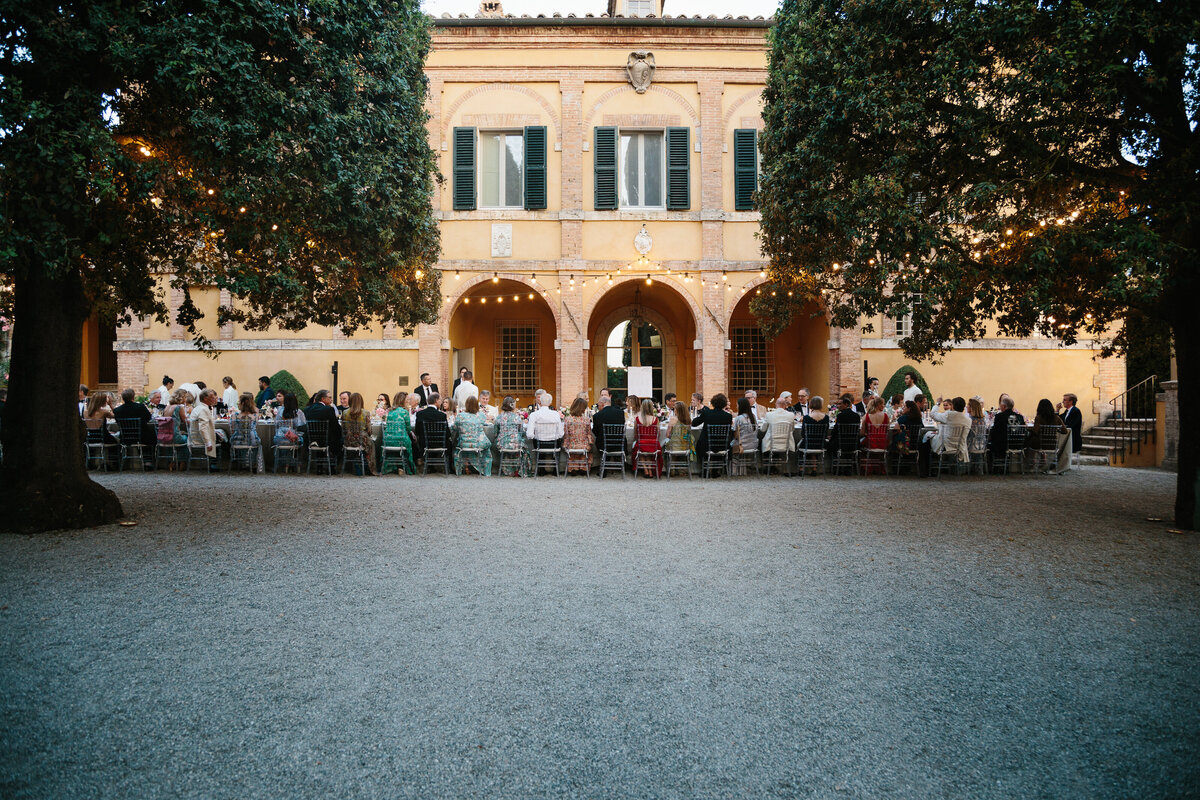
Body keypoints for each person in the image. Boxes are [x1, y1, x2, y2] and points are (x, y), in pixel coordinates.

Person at [926, 396, 971, 471]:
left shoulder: (948, 415)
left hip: (946, 445)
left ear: (952, 406)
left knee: (927, 438)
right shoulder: (968, 420)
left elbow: (932, 414)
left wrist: (938, 403)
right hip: (960, 447)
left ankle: (928, 469)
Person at [454, 395, 493, 476]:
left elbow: (454, 427)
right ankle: (486, 471)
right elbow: (483, 423)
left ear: (466, 404)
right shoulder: (481, 415)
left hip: (463, 443)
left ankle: (461, 469)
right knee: (487, 446)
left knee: (454, 443)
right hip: (477, 443)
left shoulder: (460, 416)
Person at [114, 387, 156, 462]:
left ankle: (125, 462)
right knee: (154, 436)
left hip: (125, 437)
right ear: (133, 397)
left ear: (123, 398)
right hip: (142, 437)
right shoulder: (140, 407)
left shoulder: (117, 410)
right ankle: (148, 461)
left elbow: (117, 422)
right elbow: (149, 418)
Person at [495, 396, 533, 477]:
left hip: (502, 444)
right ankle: (522, 471)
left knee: (506, 449)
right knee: (524, 449)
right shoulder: (517, 417)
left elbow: (495, 433)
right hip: (516, 444)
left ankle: (507, 470)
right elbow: (521, 432)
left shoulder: (499, 417)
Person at [341, 392, 377, 475]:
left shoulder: (345, 413)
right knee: (372, 445)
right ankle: (370, 469)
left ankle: (354, 466)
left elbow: (343, 428)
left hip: (349, 441)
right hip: (362, 440)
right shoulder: (365, 413)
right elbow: (369, 430)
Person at [382, 391, 416, 475]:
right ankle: (405, 466)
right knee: (411, 440)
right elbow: (408, 429)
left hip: (389, 440)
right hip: (401, 441)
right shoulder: (404, 412)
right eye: (407, 399)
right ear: (402, 400)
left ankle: (394, 466)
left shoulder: (390, 412)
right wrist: (411, 433)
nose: (408, 401)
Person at [229, 391, 264, 470]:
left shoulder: (235, 415)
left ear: (241, 404)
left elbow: (232, 429)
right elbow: (256, 427)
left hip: (237, 440)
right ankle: (254, 463)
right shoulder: (254, 416)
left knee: (237, 439)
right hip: (252, 440)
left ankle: (241, 462)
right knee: (256, 442)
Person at [189, 388, 220, 470]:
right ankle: (214, 463)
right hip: (199, 439)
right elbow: (203, 428)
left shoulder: (197, 408)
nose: (215, 399)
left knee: (221, 435)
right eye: (213, 398)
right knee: (224, 439)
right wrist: (208, 443)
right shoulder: (203, 409)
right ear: (205, 399)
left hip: (193, 437)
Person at [561, 396, 594, 474]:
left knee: (572, 447)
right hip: (584, 445)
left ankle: (573, 468)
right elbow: (589, 433)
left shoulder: (567, 419)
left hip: (571, 445)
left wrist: (565, 443)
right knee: (590, 447)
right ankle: (583, 468)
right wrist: (591, 441)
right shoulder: (586, 419)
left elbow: (566, 434)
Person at [988, 396, 1025, 465]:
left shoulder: (999, 416)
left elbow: (995, 431)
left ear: (1004, 406)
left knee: (990, 444)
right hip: (1018, 444)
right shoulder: (1020, 417)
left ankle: (994, 467)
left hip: (1003, 444)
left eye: (1000, 406)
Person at [631, 398, 663, 477]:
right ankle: (650, 470)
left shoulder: (637, 419)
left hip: (641, 444)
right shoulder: (655, 419)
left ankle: (646, 470)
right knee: (648, 450)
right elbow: (658, 434)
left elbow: (635, 434)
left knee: (640, 449)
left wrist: (638, 439)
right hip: (653, 444)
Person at [414, 392, 448, 463]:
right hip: (439, 443)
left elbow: (417, 431)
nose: (441, 402)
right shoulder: (442, 415)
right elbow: (447, 433)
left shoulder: (420, 414)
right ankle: (449, 467)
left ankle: (422, 461)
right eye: (440, 400)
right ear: (436, 400)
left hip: (424, 443)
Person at [760, 392, 797, 456]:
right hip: (786, 444)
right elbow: (792, 429)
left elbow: (763, 429)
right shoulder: (791, 415)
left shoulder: (769, 415)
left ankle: (767, 464)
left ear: (776, 404)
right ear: (785, 405)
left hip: (770, 444)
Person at [731, 397, 759, 474]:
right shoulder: (752, 416)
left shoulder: (739, 418)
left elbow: (735, 434)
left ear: (741, 406)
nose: (736, 406)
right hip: (753, 445)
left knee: (730, 444)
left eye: (737, 405)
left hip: (741, 446)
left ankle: (734, 470)